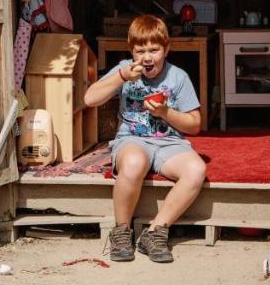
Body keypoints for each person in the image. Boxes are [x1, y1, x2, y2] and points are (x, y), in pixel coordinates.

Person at [83, 14, 205, 263]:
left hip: (169, 142)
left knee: (196, 169)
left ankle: (156, 232)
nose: (147, 57)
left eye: (154, 50)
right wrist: (122, 77)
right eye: (140, 51)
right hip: (132, 139)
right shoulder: (124, 70)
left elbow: (194, 125)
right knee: (134, 163)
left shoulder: (178, 77)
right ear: (131, 51)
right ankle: (121, 231)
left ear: (166, 49)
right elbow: (89, 99)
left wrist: (165, 112)